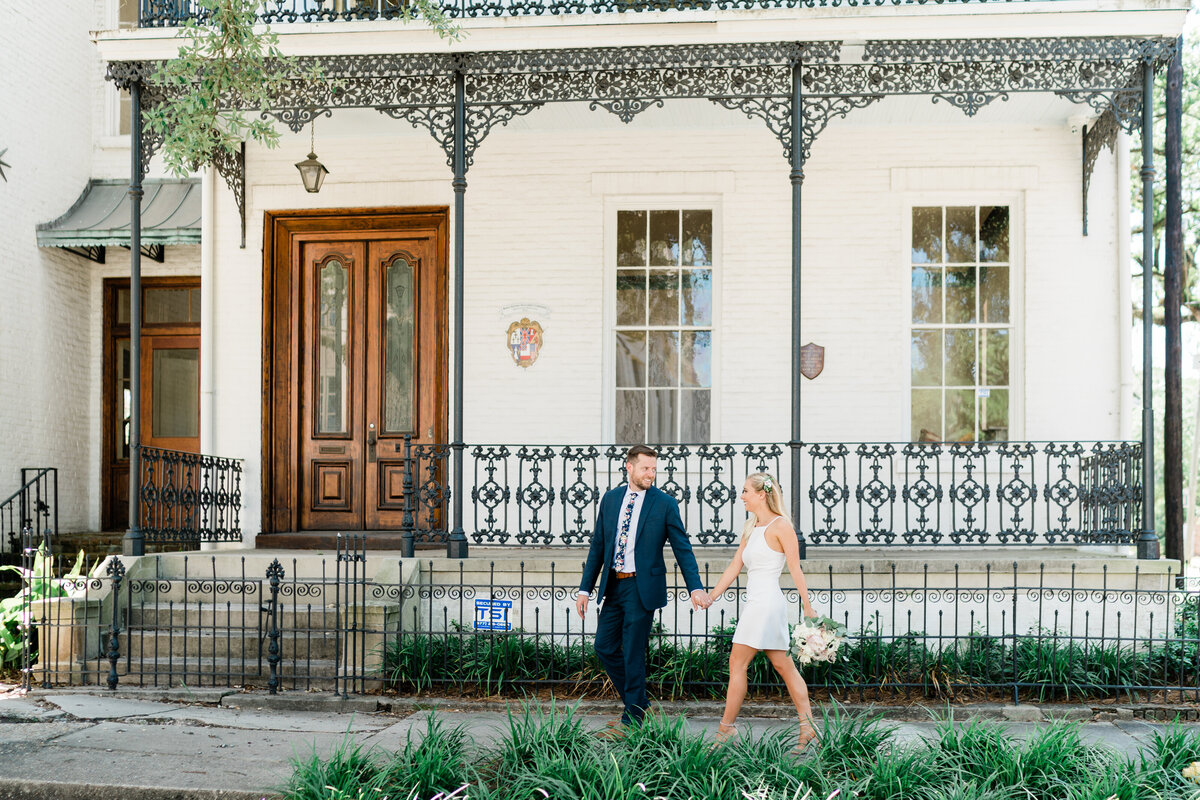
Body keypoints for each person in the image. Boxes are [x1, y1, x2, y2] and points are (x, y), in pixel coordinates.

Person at [577, 444, 711, 729]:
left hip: (642, 587)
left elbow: (682, 547)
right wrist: (584, 589)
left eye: (653, 469)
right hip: (614, 585)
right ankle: (640, 703)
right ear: (629, 467)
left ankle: (632, 719)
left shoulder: (664, 503)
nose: (651, 474)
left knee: (634, 651)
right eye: (645, 468)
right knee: (604, 646)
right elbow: (598, 545)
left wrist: (695, 587)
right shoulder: (611, 500)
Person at [706, 472, 819, 752]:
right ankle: (808, 729)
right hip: (755, 603)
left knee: (737, 664)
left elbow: (795, 569)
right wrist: (712, 596)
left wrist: (808, 606)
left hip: (766, 604)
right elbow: (735, 565)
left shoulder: (782, 527)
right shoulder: (751, 525)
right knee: (784, 667)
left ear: (761, 494)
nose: (741, 496)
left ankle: (726, 730)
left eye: (745, 491)